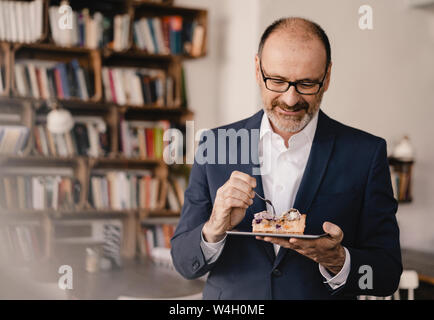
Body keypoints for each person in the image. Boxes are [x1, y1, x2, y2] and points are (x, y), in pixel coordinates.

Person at [170, 17, 402, 299]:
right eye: (277, 81)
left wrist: (338, 261)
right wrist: (213, 228)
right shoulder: (215, 145)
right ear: (257, 70)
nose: (291, 99)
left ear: (327, 77)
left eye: (306, 83)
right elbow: (184, 263)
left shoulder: (366, 153)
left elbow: (387, 274)